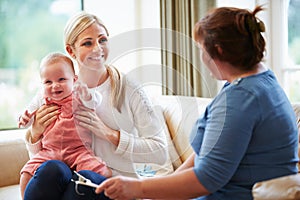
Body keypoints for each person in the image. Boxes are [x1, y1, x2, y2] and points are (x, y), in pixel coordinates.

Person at [95, 5, 299, 200]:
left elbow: (206, 179)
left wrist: (137, 188)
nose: (200, 57)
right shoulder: (260, 81)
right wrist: (162, 190)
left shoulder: (240, 100)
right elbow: (206, 156)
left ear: (217, 51)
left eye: (201, 48)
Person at [23, 11, 169, 200]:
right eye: (87, 43)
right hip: (66, 178)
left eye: (102, 40)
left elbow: (160, 153)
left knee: (81, 183)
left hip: (114, 184)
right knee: (51, 169)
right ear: (70, 50)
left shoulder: (129, 88)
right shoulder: (58, 86)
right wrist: (35, 134)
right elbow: (41, 157)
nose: (97, 49)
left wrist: (109, 134)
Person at [19, 52, 112, 199]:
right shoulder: (42, 98)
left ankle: (112, 188)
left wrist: (87, 95)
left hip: (78, 150)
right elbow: (30, 114)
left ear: (74, 80)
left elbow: (95, 101)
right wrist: (25, 118)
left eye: (61, 79)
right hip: (50, 151)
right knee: (27, 171)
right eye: (48, 82)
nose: (55, 86)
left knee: (99, 169)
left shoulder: (79, 94)